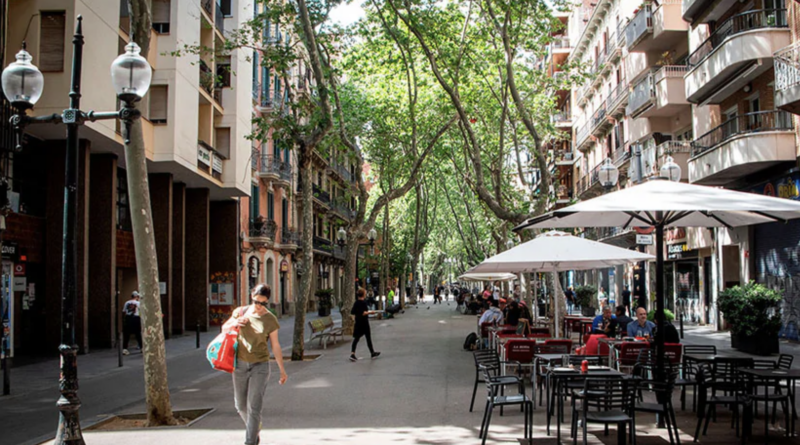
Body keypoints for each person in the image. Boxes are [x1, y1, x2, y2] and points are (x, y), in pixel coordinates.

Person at [222, 284, 288, 445]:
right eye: (256, 302)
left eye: (263, 303)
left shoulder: (270, 319)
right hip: (240, 364)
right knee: (240, 405)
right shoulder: (240, 312)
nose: (259, 306)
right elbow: (224, 328)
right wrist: (236, 322)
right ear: (252, 298)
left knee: (254, 407)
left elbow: (275, 345)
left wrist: (282, 370)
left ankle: (250, 441)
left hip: (260, 366)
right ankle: (254, 427)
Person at [350, 287, 380, 361]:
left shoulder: (356, 303)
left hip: (358, 322)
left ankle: (352, 353)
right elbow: (363, 313)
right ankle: (372, 352)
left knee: (356, 338)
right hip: (364, 322)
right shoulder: (363, 303)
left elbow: (352, 312)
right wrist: (371, 312)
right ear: (363, 294)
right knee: (368, 338)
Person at [122, 291, 142, 356]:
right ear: (136, 297)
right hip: (136, 318)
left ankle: (125, 349)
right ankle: (142, 347)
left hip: (128, 318)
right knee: (138, 334)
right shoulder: (138, 303)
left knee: (126, 334)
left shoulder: (127, 302)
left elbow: (124, 312)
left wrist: (124, 319)